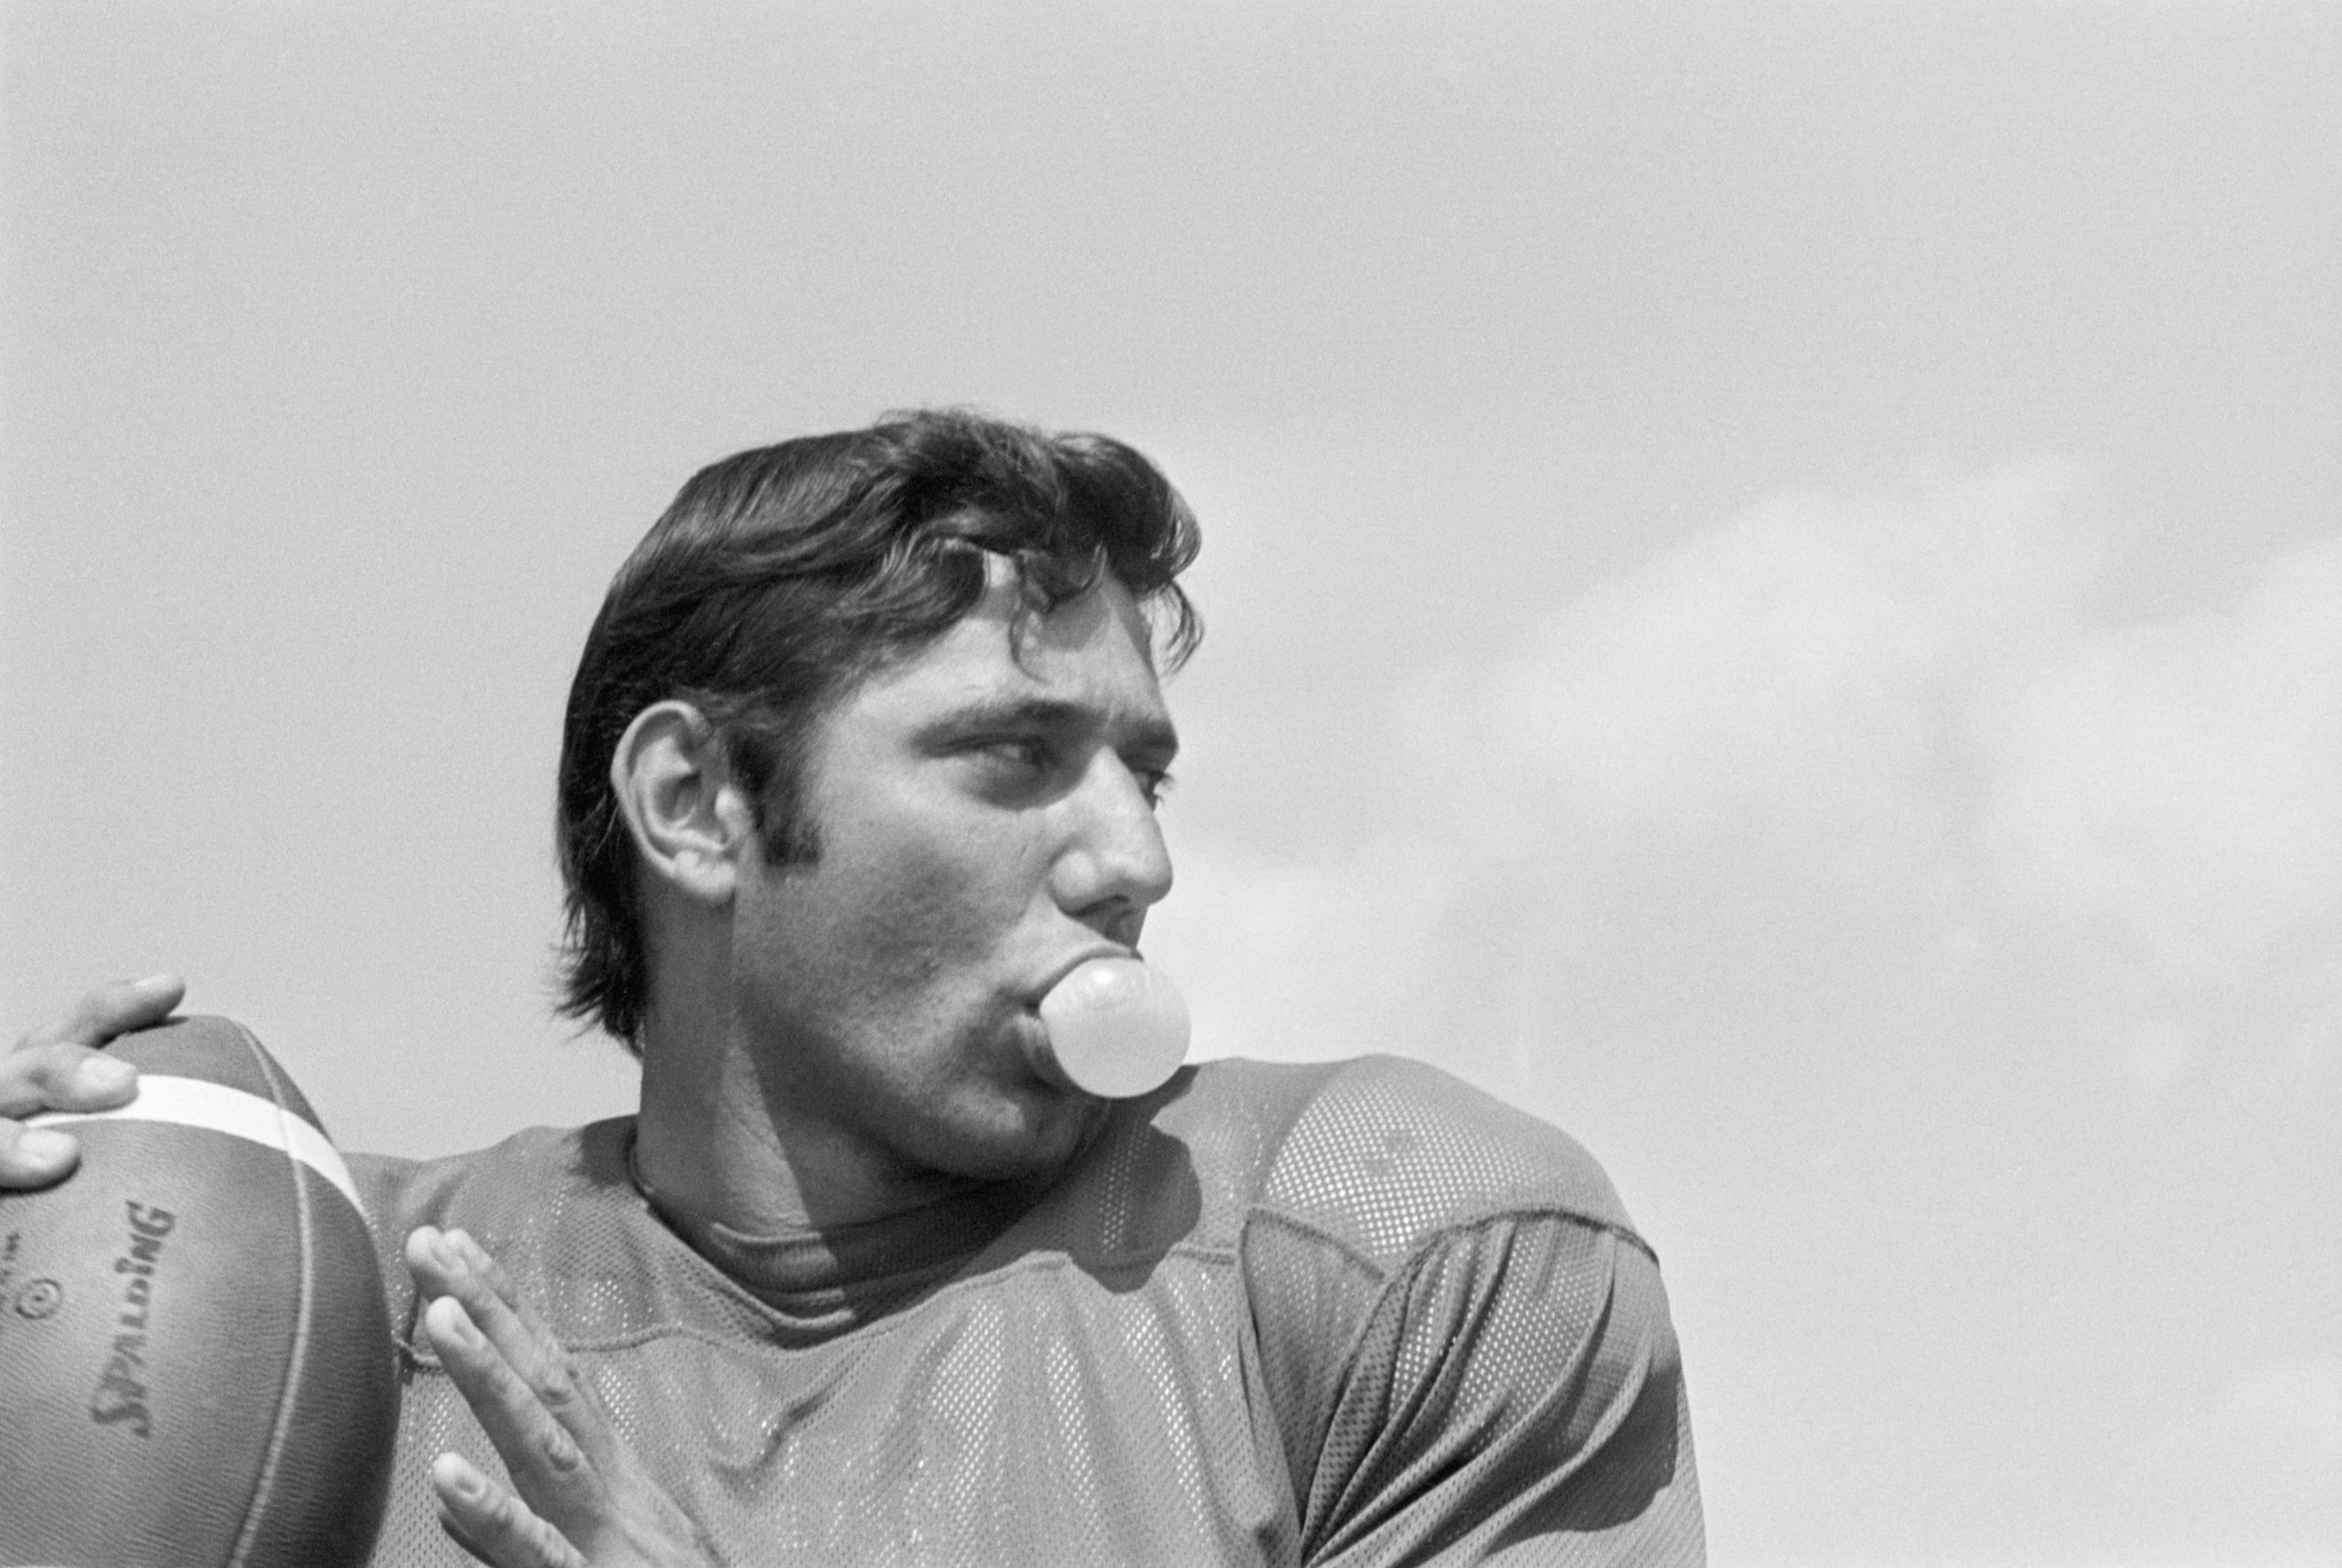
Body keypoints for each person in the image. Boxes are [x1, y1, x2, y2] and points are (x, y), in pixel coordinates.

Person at [1, 410, 1704, 1566]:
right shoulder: (318, 1323)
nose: (1133, 860)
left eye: (1144, 773)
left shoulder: (1399, 1249)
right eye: (1014, 755)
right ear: (695, 805)